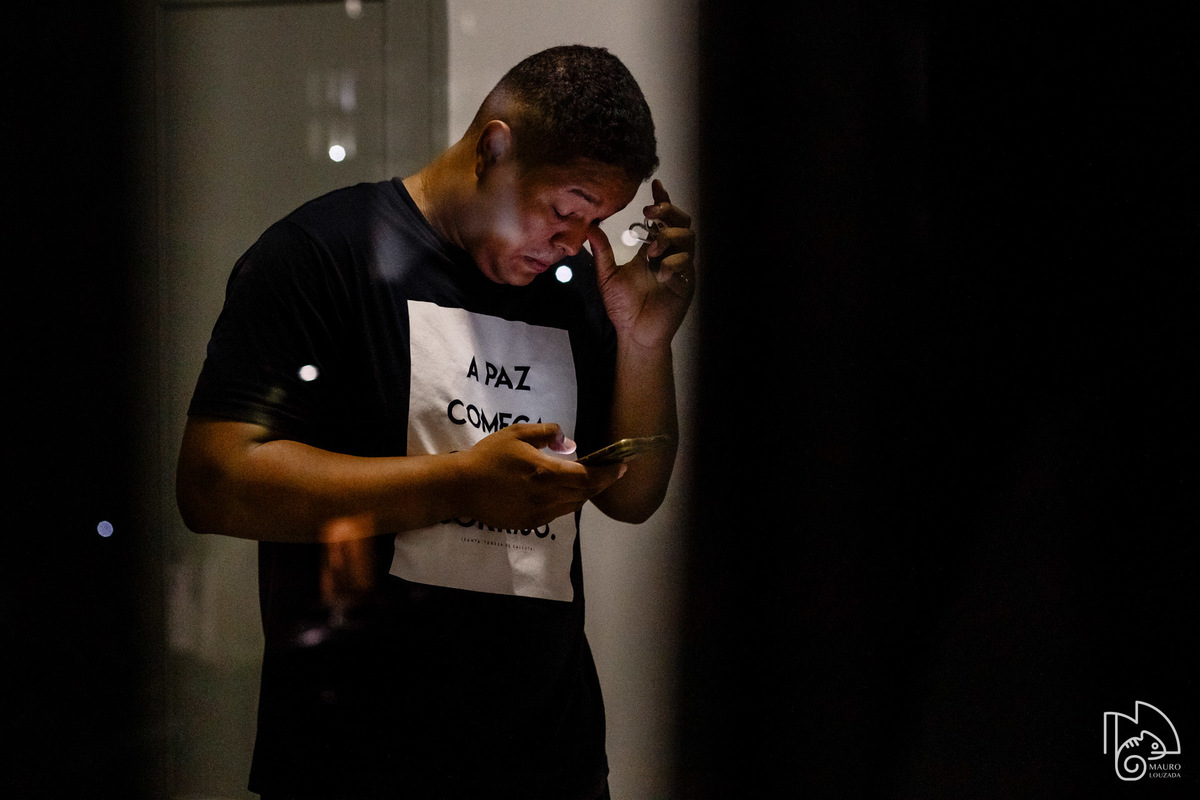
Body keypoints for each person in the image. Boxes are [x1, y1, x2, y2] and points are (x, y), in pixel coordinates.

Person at [176, 45, 695, 799]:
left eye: (597, 224)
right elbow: (213, 481)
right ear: (493, 147)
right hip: (354, 757)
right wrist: (458, 483)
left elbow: (632, 495)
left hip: (549, 757)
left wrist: (646, 342)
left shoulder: (575, 286)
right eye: (564, 209)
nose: (575, 245)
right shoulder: (323, 254)